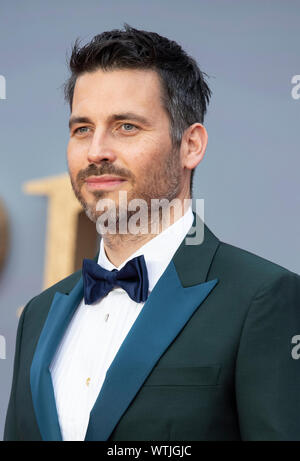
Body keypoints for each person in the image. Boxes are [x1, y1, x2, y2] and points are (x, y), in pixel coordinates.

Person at [4, 24, 300, 441]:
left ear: (191, 145)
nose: (96, 151)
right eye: (82, 129)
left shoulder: (263, 299)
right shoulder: (39, 313)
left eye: (126, 126)